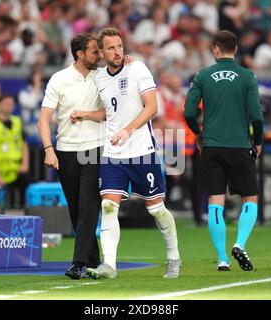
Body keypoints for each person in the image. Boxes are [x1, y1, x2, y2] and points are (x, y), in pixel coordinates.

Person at [78, 27, 181, 280]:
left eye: (120, 46)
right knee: (108, 205)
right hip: (113, 154)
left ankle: (173, 257)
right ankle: (110, 265)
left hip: (142, 151)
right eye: (111, 48)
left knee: (156, 209)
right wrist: (86, 115)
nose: (117, 52)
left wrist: (128, 130)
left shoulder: (137, 68)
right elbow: (109, 113)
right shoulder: (100, 77)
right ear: (101, 52)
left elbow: (152, 107)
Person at [184, 30, 264, 272]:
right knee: (249, 197)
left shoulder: (202, 76)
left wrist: (198, 133)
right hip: (239, 145)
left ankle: (221, 259)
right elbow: (256, 116)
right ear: (236, 49)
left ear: (215, 49)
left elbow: (188, 112)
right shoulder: (247, 76)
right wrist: (257, 141)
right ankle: (239, 243)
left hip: (212, 146)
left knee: (215, 201)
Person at [37, 33, 105, 280]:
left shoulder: (104, 77)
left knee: (88, 207)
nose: (100, 55)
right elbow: (44, 118)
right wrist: (48, 148)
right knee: (76, 211)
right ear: (80, 54)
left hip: (96, 149)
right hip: (66, 151)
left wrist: (86, 114)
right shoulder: (59, 79)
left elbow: (110, 113)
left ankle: (78, 264)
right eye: (95, 51)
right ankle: (95, 262)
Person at [0, 94, 30, 207]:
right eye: (6, 103)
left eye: (12, 104)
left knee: (28, 186)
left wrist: (25, 164)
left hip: (15, 169)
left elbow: (24, 144)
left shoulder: (17, 121)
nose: (9, 106)